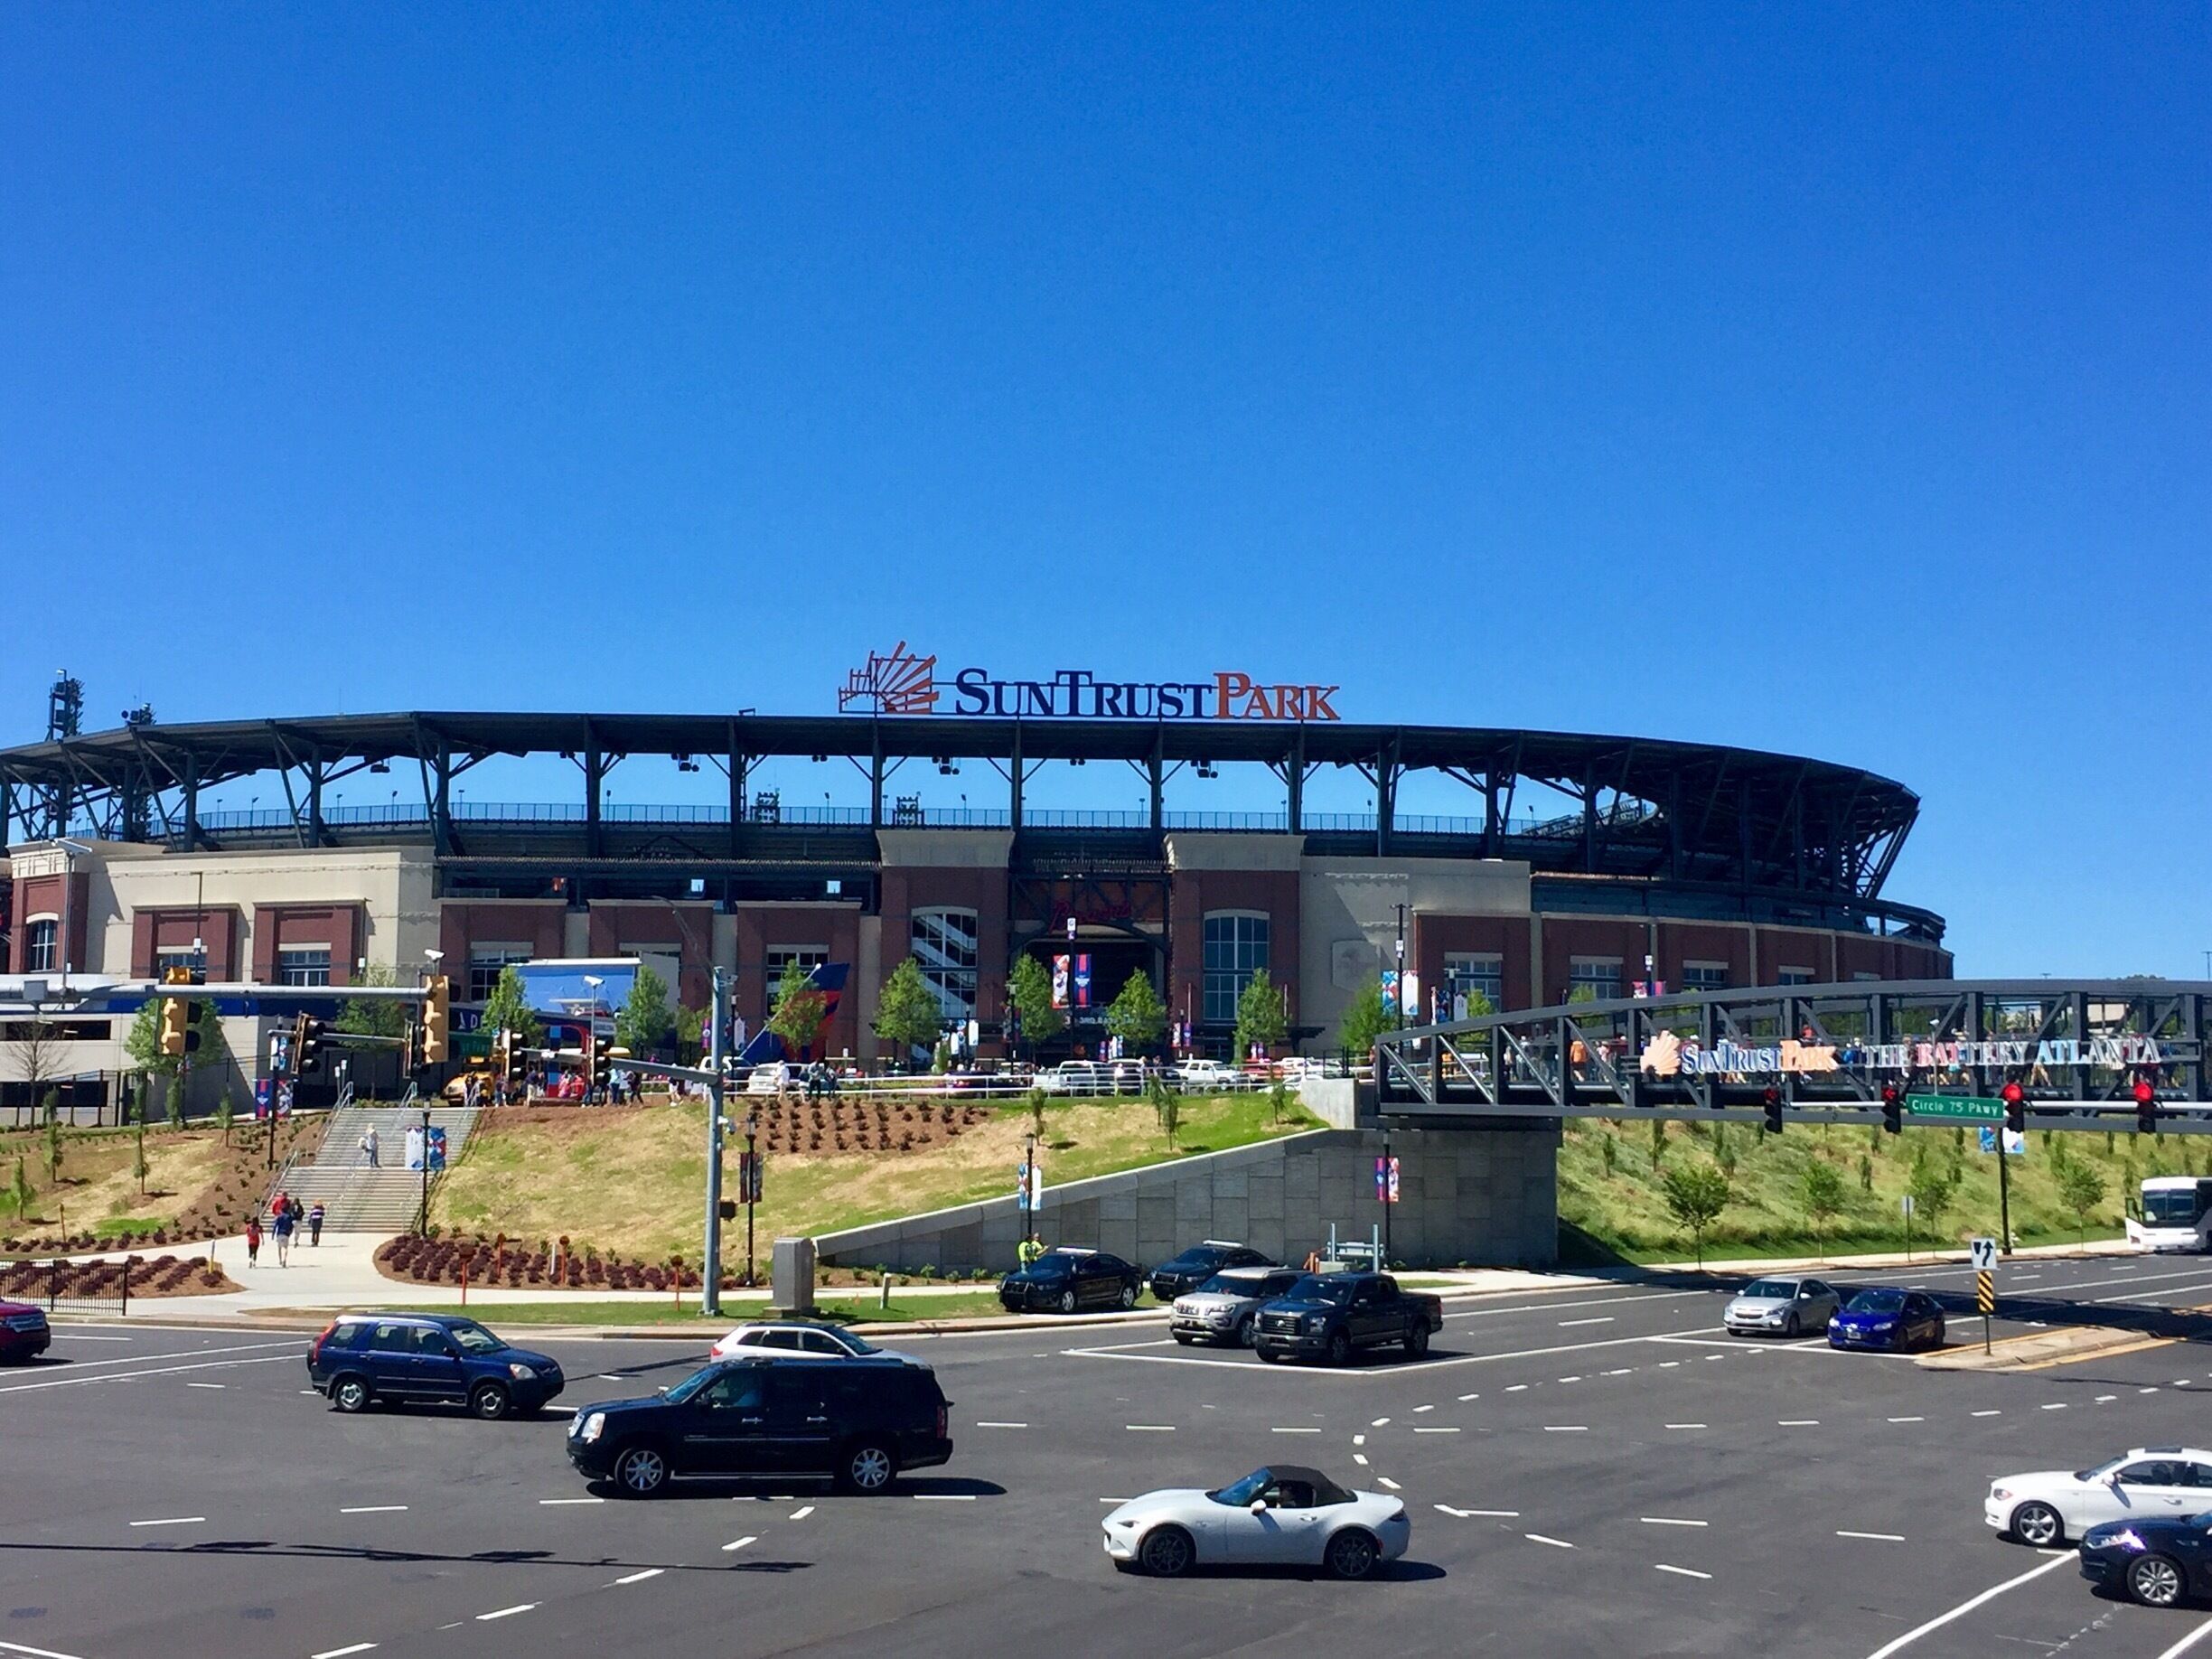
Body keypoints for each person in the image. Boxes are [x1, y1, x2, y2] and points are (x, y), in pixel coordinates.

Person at [271, 1203, 295, 1267]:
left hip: (279, 1233)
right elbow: (292, 1225)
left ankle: (280, 1260)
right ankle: (284, 1259)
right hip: (286, 1233)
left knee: (279, 1248)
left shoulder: (279, 1217)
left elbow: (275, 1226)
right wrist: (290, 1232)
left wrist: (273, 1234)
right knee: (285, 1248)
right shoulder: (289, 1217)